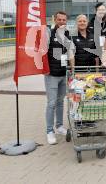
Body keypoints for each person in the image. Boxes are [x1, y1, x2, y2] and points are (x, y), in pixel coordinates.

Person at [44, 11, 74, 145]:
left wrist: (72, 70)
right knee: (51, 103)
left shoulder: (67, 34)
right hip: (51, 75)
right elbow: (42, 51)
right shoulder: (49, 33)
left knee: (61, 101)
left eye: (64, 20)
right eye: (59, 20)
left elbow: (70, 52)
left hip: (63, 74)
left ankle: (59, 126)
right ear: (55, 20)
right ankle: (49, 131)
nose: (62, 22)